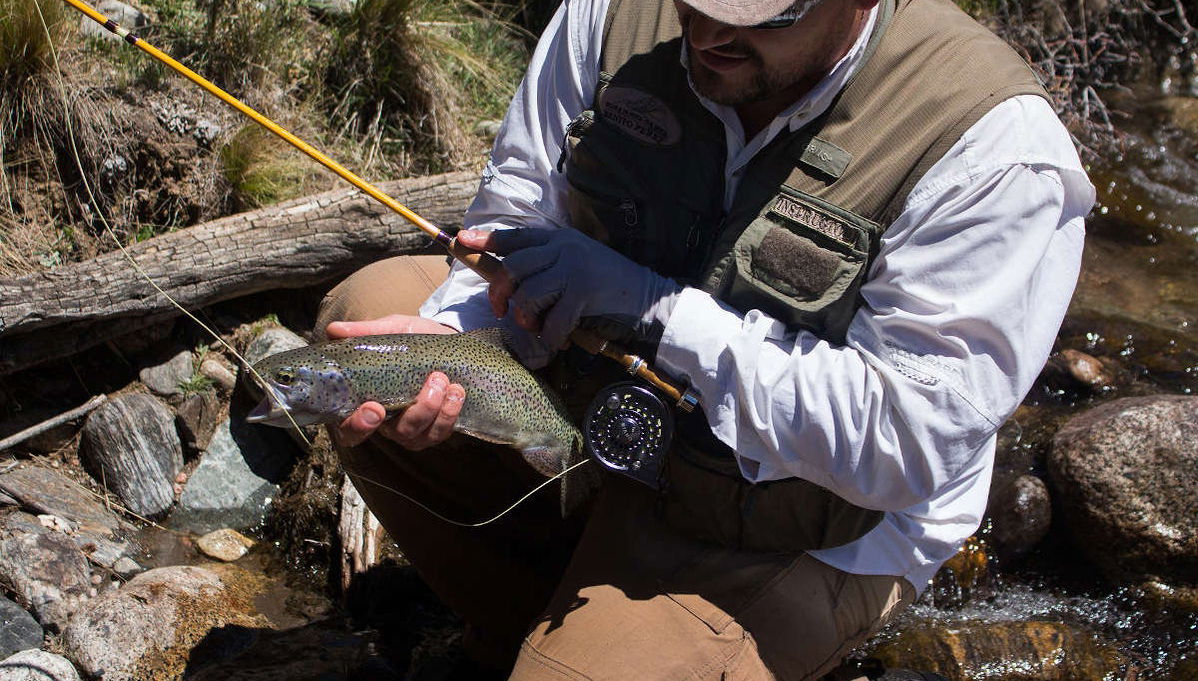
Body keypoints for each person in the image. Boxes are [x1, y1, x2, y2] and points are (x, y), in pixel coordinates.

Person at [315, 0, 1094, 678]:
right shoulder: (616, 12)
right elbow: (521, 207)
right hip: (602, 424)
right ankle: (534, 621)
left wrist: (654, 308)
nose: (711, 31)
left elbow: (900, 444)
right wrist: (453, 340)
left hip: (799, 519)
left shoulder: (991, 145)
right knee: (367, 324)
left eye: (759, 13)